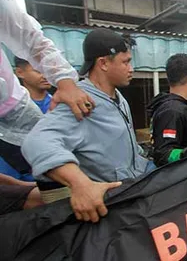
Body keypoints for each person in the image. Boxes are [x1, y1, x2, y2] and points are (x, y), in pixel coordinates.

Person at [22, 28, 152, 223]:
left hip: (133, 190)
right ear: (103, 63)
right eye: (125, 62)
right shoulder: (79, 101)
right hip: (111, 207)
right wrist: (79, 183)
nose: (131, 68)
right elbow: (36, 142)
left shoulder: (119, 99)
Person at [0, 0, 93, 215]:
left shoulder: (53, 107)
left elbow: (30, 37)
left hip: (12, 106)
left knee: (56, 191)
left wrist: (65, 81)